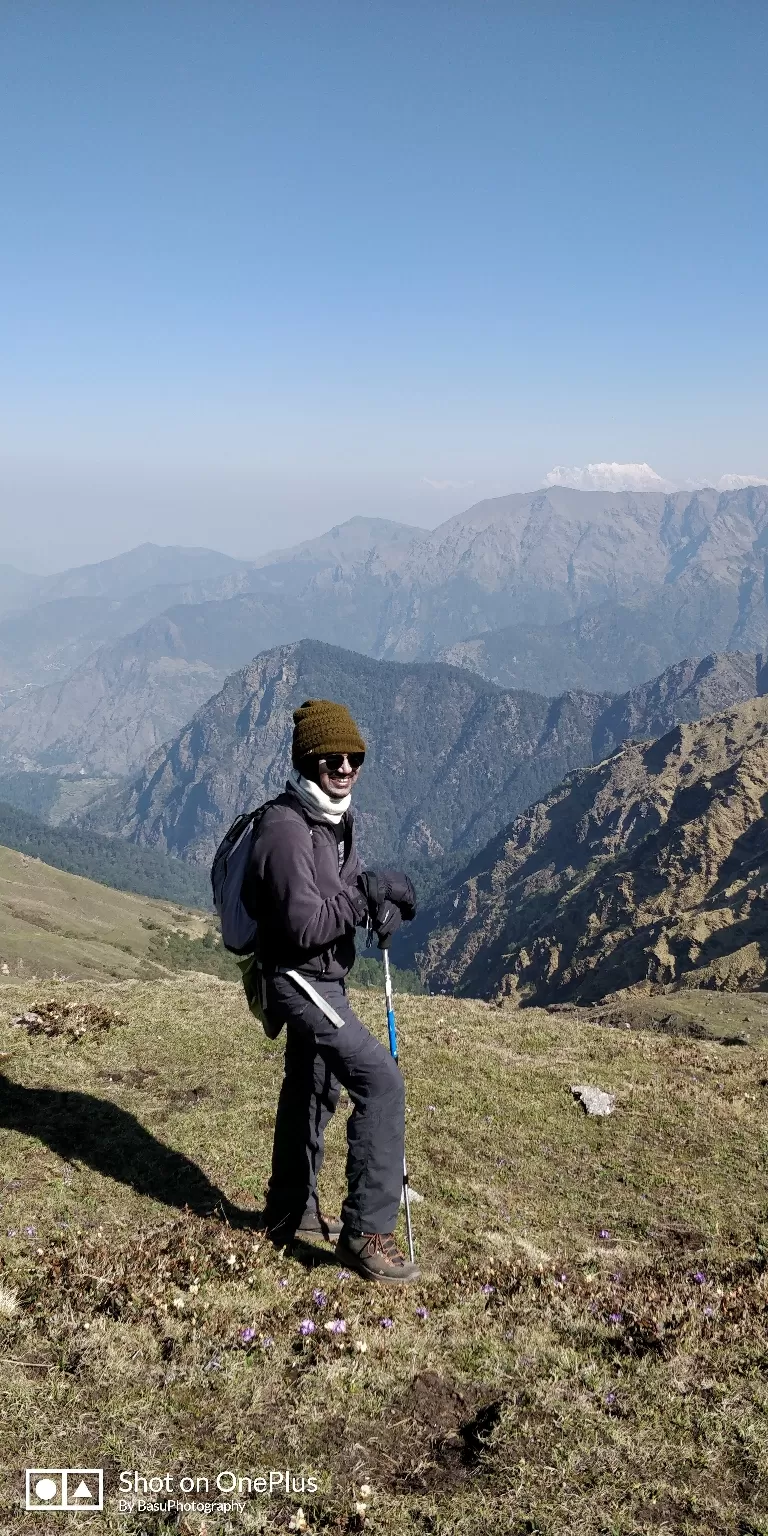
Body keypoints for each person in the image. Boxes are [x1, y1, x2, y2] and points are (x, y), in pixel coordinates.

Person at [242, 698, 420, 1283]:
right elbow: (304, 928)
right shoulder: (285, 830)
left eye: (354, 757)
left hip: (322, 976)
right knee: (381, 1083)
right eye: (331, 758)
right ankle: (368, 1234)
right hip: (299, 978)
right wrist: (365, 896)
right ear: (308, 759)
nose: (345, 767)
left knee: (314, 1090)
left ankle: (288, 1214)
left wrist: (380, 907)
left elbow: (347, 889)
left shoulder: (333, 819)